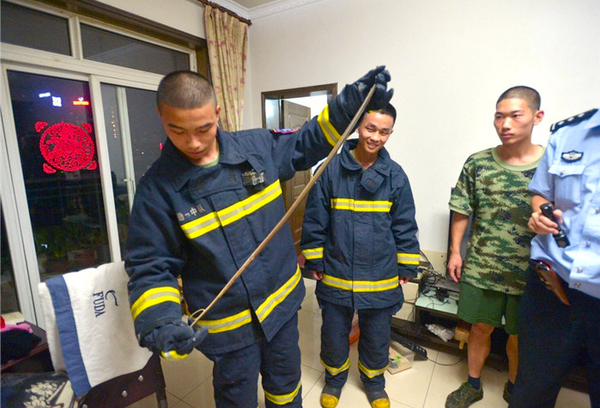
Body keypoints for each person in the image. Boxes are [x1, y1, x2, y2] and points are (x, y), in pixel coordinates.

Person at [123, 67, 393, 408]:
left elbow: (308, 141)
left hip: (280, 311)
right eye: (178, 131)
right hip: (228, 328)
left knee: (286, 392)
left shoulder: (257, 148)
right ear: (162, 117)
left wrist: (349, 104)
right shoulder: (156, 190)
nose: (193, 142)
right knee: (237, 401)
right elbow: (150, 265)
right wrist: (160, 319)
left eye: (204, 129)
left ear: (217, 113)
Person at [300, 104, 420, 408]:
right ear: (357, 128)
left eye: (384, 131)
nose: (375, 137)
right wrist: (314, 259)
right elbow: (315, 221)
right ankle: (335, 380)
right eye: (370, 128)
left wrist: (406, 264)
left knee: (377, 334)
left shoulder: (395, 175)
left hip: (380, 273)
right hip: (337, 270)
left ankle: (374, 383)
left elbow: (404, 224)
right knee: (334, 333)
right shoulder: (329, 170)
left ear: (391, 133)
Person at [446, 86, 545, 408]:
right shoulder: (478, 163)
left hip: (531, 271)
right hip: (483, 265)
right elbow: (461, 208)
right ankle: (473, 384)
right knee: (479, 328)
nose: (506, 124)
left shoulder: (551, 164)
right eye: (499, 116)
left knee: (520, 335)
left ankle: (515, 386)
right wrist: (455, 252)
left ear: (536, 117)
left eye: (515, 115)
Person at [509, 108, 600, 408]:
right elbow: (540, 193)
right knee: (530, 394)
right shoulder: (569, 133)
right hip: (552, 289)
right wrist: (539, 214)